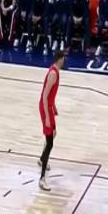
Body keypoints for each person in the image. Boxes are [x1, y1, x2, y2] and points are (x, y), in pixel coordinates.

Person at [38, 50, 65, 191]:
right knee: (49, 143)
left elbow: (50, 95)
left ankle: (42, 158)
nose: (64, 61)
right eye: (63, 58)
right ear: (59, 59)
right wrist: (48, 117)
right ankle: (42, 179)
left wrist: (54, 106)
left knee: (53, 134)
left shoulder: (56, 71)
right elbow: (44, 96)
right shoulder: (53, 74)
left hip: (48, 107)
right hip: (45, 108)